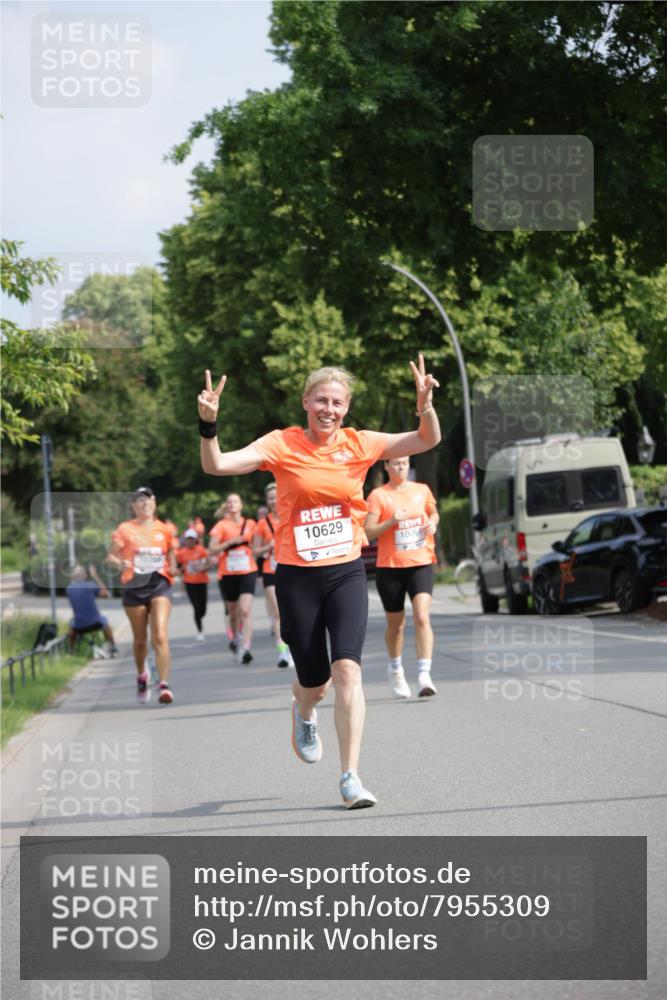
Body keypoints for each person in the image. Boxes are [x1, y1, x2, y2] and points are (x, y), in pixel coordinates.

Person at [197, 354, 440, 809]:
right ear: (306, 401)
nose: (329, 409)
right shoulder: (281, 444)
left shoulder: (360, 443)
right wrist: (208, 425)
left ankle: (350, 777)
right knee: (316, 680)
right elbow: (217, 466)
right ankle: (303, 709)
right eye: (321, 400)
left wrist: (424, 404)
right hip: (297, 576)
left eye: (338, 402)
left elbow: (427, 438)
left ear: (346, 408)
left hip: (346, 569)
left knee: (348, 669)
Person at [365, 457, 439, 699]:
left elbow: (433, 513)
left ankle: (424, 675)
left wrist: (432, 523)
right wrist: (391, 521)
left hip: (421, 562)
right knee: (396, 625)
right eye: (395, 463)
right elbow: (368, 531)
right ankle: (396, 668)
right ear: (386, 467)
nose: (401, 467)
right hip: (391, 567)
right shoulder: (378, 495)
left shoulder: (421, 490)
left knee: (421, 615)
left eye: (405, 463)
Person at [107, 487, 178, 705]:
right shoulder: (125, 529)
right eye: (139, 501)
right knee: (140, 642)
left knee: (160, 636)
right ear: (133, 506)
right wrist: (120, 563)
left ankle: (163, 685)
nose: (144, 504)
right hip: (134, 585)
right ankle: (142, 676)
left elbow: (172, 553)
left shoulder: (164, 529)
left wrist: (174, 565)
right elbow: (110, 555)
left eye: (148, 500)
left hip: (159, 584)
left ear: (154, 503)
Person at [208, 493, 258, 664]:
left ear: (241, 505)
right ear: (226, 506)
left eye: (235, 501)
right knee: (233, 613)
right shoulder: (221, 526)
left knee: (245, 611)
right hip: (227, 573)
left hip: (248, 571)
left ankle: (246, 648)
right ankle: (236, 637)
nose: (232, 504)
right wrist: (229, 543)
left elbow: (258, 544)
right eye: (229, 502)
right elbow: (211, 549)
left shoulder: (251, 524)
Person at [253, 482, 294, 668]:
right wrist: (266, 548)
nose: (274, 501)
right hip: (271, 571)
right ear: (267, 502)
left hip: (294, 569)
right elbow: (254, 552)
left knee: (295, 613)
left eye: (277, 496)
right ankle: (282, 653)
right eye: (270, 498)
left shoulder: (293, 515)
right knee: (278, 612)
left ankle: (295, 649)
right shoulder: (262, 524)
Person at [66, 564, 118, 656]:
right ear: (85, 575)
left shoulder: (69, 589)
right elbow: (105, 593)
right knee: (105, 622)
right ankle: (113, 648)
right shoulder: (91, 585)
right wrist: (95, 576)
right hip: (95, 623)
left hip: (78, 625)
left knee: (71, 624)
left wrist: (73, 577)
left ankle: (71, 651)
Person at [176, 528, 210, 641]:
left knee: (203, 608)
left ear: (195, 540)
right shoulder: (181, 553)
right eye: (187, 539)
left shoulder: (201, 551)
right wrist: (181, 572)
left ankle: (200, 618)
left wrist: (202, 567)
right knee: (196, 607)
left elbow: (208, 564)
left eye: (191, 539)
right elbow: (179, 567)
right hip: (189, 583)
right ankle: (200, 631)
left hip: (202, 581)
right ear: (185, 540)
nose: (189, 541)